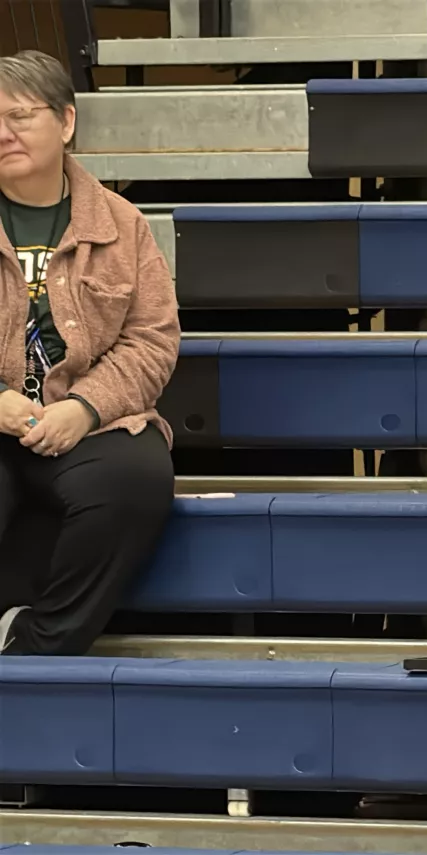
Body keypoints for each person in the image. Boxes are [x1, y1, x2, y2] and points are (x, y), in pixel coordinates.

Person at [0, 51, 178, 656]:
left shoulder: (123, 225)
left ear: (66, 121)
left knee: (137, 482)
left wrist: (83, 408)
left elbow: (152, 340)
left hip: (89, 423)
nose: (4, 133)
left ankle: (35, 642)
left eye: (20, 116)